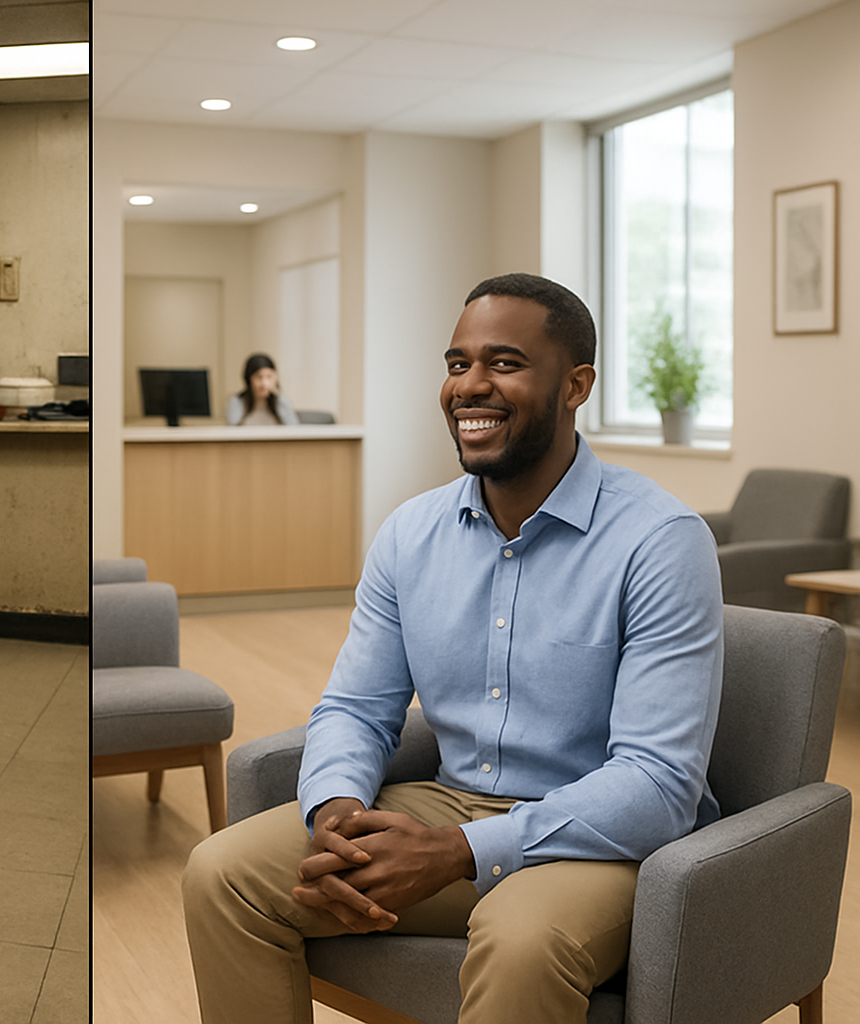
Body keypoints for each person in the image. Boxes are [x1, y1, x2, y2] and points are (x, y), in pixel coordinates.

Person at [182, 273, 723, 1024]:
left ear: (576, 385)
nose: (470, 386)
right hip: (446, 802)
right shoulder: (410, 533)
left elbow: (659, 783)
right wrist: (336, 810)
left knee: (521, 937)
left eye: (503, 364)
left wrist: (459, 851)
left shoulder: (660, 541)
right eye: (457, 364)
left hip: (600, 835)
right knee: (222, 874)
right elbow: (355, 707)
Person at [225, 353, 300, 425]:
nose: (264, 384)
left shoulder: (281, 401)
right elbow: (231, 428)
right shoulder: (237, 402)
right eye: (259, 377)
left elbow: (294, 428)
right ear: (249, 379)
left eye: (269, 377)